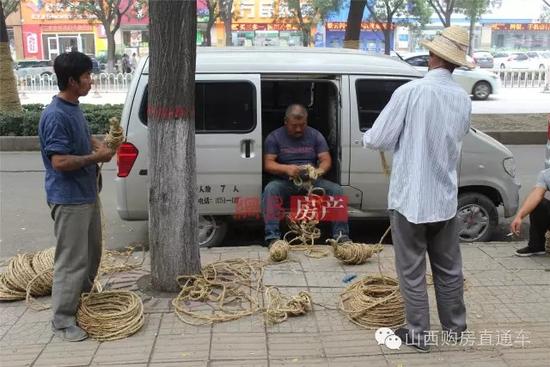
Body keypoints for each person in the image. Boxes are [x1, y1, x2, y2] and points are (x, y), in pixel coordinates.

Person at [362, 26, 474, 352]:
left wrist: (370, 135)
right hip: (444, 199)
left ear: (432, 55)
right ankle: (455, 328)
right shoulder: (461, 98)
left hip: (410, 199)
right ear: (455, 62)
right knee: (449, 268)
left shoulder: (411, 92)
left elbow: (379, 138)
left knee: (411, 270)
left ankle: (418, 334)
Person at [38, 52, 115, 342]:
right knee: (72, 261)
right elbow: (59, 162)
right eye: (86, 77)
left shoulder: (73, 107)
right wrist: (95, 157)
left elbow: (84, 138)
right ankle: (62, 320)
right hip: (69, 199)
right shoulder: (56, 115)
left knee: (91, 254)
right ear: (71, 81)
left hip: (86, 195)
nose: (90, 82)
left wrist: (102, 144)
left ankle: (80, 305)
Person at [262, 104, 351, 246]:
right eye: (294, 125)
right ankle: (272, 238)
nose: (298, 129)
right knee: (271, 189)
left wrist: (318, 171)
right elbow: (268, 164)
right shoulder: (274, 137)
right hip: (287, 182)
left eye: (302, 125)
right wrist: (286, 169)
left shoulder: (315, 135)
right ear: (286, 121)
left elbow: (326, 160)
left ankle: (341, 236)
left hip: (311, 181)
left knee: (336, 190)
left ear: (307, 121)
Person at [510, 168, 550, 256]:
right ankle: (536, 246)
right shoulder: (546, 174)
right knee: (538, 204)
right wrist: (519, 217)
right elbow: (535, 195)